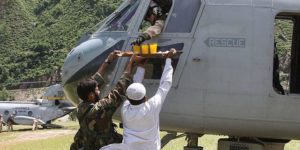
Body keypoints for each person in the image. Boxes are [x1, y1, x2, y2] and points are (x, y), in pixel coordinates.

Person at [100, 49, 176, 150]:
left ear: (127, 97)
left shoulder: (125, 109)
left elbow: (136, 87)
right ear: (145, 97)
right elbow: (165, 83)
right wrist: (168, 60)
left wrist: (140, 67)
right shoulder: (152, 106)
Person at [70, 52, 138, 150]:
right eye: (97, 89)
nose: (99, 90)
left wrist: (108, 61)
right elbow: (120, 89)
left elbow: (93, 82)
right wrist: (131, 62)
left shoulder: (81, 107)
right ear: (91, 95)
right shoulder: (100, 108)